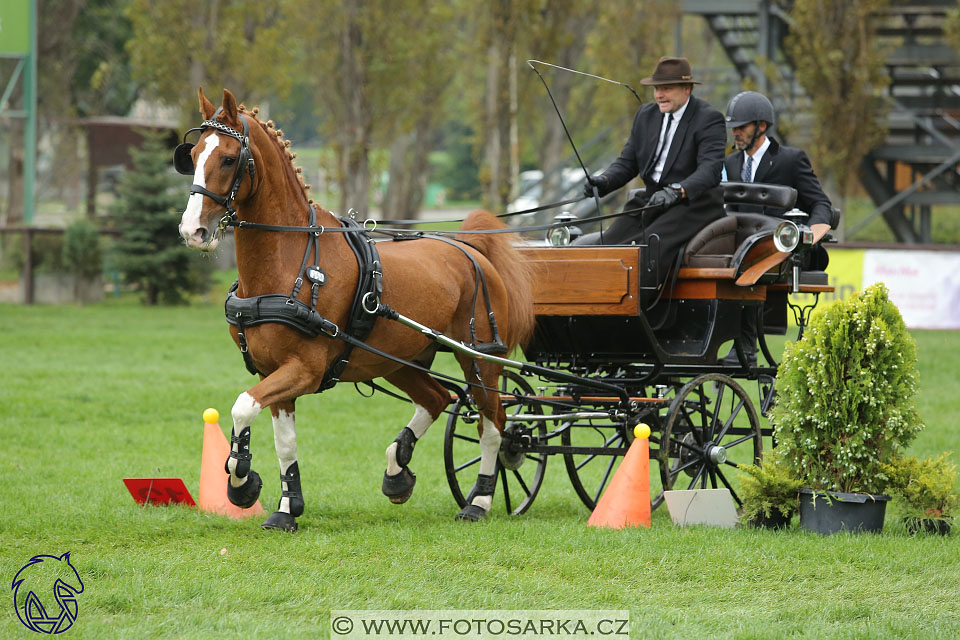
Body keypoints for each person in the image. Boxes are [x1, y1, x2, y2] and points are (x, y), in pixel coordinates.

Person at [577, 56, 726, 285]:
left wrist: (678, 191)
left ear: (687, 89)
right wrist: (604, 181)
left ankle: (639, 312)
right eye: (656, 89)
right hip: (652, 199)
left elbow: (710, 170)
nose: (658, 95)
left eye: (666, 88)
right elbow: (627, 163)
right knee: (608, 244)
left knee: (648, 248)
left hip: (692, 204)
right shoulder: (645, 116)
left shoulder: (708, 119)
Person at [720, 90, 834, 366]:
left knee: (750, 266)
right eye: (733, 128)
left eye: (741, 127)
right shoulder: (730, 164)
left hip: (781, 248)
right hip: (740, 249)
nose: (735, 133)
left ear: (761, 126)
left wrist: (812, 234)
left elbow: (820, 202)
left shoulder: (790, 159)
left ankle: (745, 347)